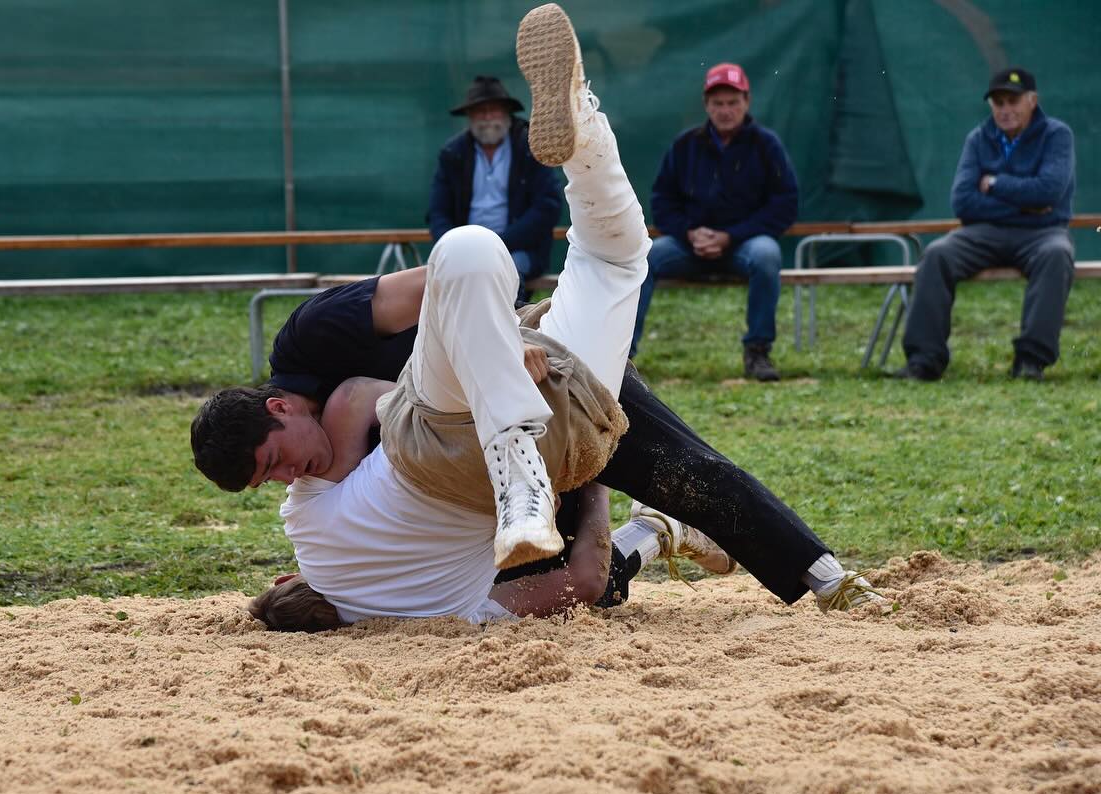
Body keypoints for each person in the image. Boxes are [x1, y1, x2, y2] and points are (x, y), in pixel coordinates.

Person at [193, 4, 879, 627]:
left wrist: (494, 341)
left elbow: (422, 306)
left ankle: (819, 574)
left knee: (682, 463)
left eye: (276, 461)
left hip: (487, 387)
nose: (290, 476)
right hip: (529, 441)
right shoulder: (315, 511)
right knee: (618, 261)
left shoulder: (316, 346)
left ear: (280, 407)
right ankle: (585, 122)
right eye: (271, 482)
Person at [897, 67, 1076, 382]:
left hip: (1043, 233)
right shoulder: (978, 138)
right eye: (998, 103)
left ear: (1032, 100)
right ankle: (924, 360)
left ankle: (1030, 361)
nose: (1005, 110)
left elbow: (1049, 191)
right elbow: (963, 202)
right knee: (938, 254)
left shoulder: (1057, 135)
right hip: (983, 233)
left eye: (1013, 101)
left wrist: (994, 184)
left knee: (1057, 254)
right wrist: (1029, 205)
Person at [632, 61, 799, 381]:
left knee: (766, 255)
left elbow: (785, 203)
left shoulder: (767, 145)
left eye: (733, 102)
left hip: (744, 246)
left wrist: (731, 236)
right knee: (646, 259)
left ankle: (758, 352)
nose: (725, 110)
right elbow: (662, 201)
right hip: (688, 245)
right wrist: (689, 233)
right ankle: (624, 355)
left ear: (747, 102)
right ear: (706, 106)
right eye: (718, 103)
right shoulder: (684, 146)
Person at [427, 74, 564, 289]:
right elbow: (438, 213)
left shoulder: (530, 148)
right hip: (465, 251)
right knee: (443, 278)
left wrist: (499, 244)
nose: (488, 117)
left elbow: (548, 206)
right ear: (470, 115)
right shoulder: (453, 154)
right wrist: (454, 247)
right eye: (481, 111)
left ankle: (510, 322)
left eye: (495, 110)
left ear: (507, 114)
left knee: (505, 273)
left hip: (519, 249)